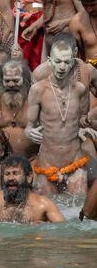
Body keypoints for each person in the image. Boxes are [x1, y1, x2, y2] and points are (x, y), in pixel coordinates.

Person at [25, 38, 90, 194]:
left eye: (66, 62)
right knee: (49, 206)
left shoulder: (80, 89)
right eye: (58, 61)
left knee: (79, 206)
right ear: (50, 61)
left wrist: (85, 127)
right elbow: (28, 127)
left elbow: (83, 120)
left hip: (75, 160)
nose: (62, 67)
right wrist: (29, 132)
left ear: (72, 63)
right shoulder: (37, 90)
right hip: (47, 162)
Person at [0, 155, 65, 224]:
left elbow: (63, 230)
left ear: (29, 177)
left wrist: (44, 227)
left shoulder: (43, 205)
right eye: (7, 174)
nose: (11, 178)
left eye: (16, 173)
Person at [0, 59, 37, 158]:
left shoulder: (35, 100)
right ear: (1, 81)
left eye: (16, 80)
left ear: (25, 80)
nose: (11, 85)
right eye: (7, 81)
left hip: (31, 159)